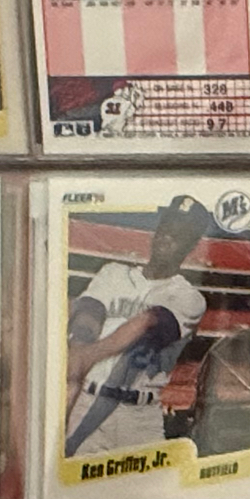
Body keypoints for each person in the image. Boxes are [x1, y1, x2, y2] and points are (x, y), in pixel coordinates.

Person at [62, 196, 210, 457]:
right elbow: (90, 311)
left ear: (192, 245)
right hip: (88, 401)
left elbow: (149, 322)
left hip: (139, 417)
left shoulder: (188, 297)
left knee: (147, 483)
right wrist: (80, 344)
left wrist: (88, 355)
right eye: (166, 228)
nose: (167, 237)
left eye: (179, 234)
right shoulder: (113, 273)